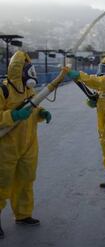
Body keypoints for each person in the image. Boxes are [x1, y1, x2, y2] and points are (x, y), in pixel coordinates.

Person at [0, 51, 52, 239]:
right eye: (26, 68)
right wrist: (12, 115)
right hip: (6, 148)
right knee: (2, 183)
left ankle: (23, 215)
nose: (30, 72)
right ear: (17, 70)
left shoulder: (30, 90)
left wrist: (42, 113)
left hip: (28, 145)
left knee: (25, 181)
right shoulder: (3, 90)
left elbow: (34, 108)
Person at [67, 55, 105, 194]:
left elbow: (94, 81)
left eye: (104, 68)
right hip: (104, 126)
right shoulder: (104, 88)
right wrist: (95, 102)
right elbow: (101, 99)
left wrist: (79, 75)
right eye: (101, 68)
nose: (102, 71)